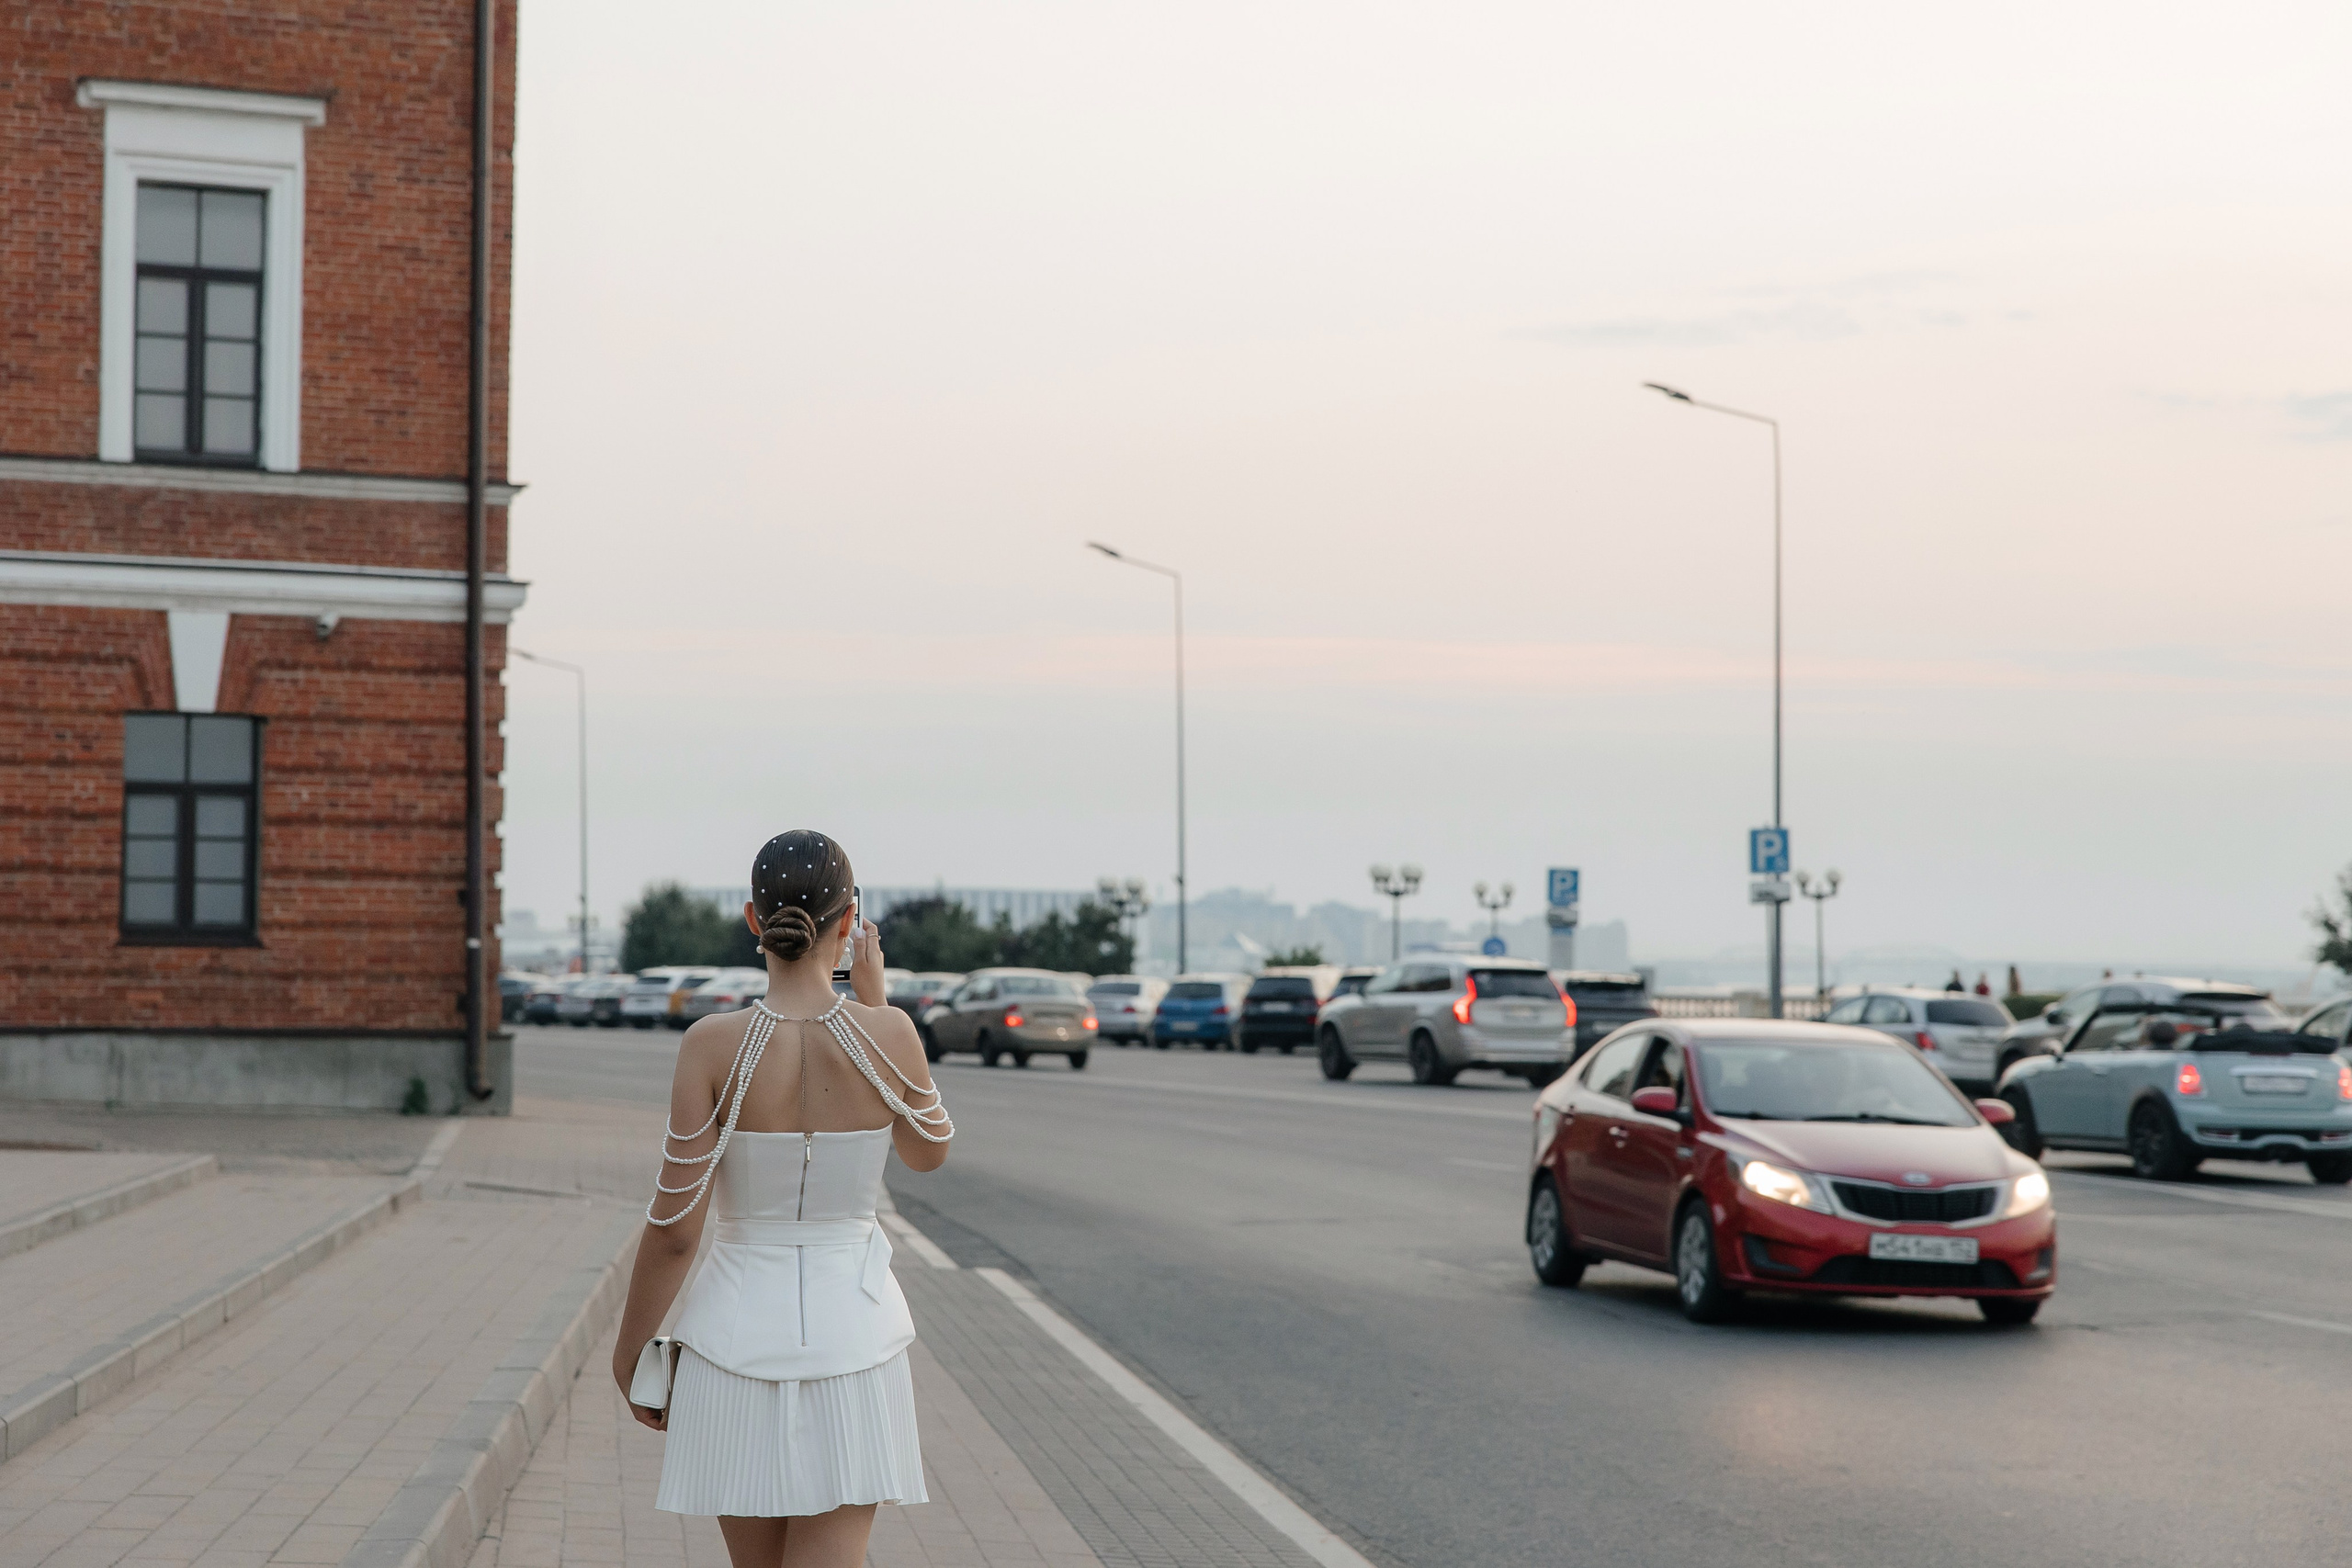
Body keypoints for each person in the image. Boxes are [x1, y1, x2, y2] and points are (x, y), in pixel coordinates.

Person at [611, 829, 953, 1568]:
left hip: (728, 1350)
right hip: (856, 1347)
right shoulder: (889, 1034)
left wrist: (628, 1350)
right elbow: (929, 1152)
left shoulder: (710, 1043)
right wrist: (879, 1004)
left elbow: (675, 1228)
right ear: (850, 924)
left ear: (752, 919)